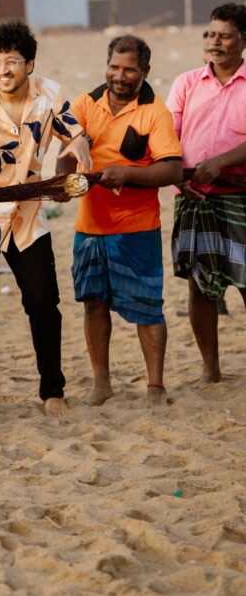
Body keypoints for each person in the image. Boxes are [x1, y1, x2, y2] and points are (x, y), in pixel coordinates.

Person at [0, 19, 92, 418]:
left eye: (11, 61)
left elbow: (72, 133)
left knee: (44, 303)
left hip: (28, 214)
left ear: (29, 64)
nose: (2, 70)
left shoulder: (50, 94)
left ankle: (53, 390)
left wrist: (78, 148)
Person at [63, 35, 183, 406]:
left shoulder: (155, 112)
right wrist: (72, 145)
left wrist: (127, 174)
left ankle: (155, 387)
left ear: (144, 72)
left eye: (129, 69)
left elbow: (172, 169)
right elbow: (62, 162)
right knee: (93, 303)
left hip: (137, 228)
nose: (120, 75)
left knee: (148, 308)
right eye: (114, 67)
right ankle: (102, 384)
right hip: (90, 227)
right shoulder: (85, 103)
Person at [167, 3, 246, 382]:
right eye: (211, 34)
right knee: (200, 286)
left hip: (239, 196)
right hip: (193, 196)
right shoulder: (186, 83)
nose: (215, 41)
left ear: (242, 41)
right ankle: (210, 369)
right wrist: (175, 176)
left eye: (224, 35)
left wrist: (223, 160)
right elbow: (167, 136)